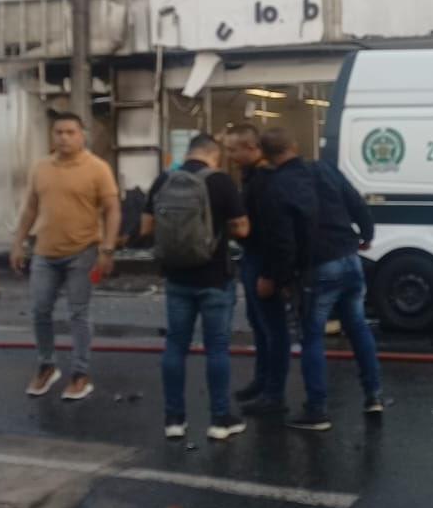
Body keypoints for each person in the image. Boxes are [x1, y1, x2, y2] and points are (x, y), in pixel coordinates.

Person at [258, 128, 383, 431]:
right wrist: (366, 236)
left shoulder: (278, 186)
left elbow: (283, 241)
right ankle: (373, 395)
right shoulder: (325, 169)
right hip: (349, 257)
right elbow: (357, 204)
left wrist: (280, 278)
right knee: (357, 326)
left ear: (266, 156)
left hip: (319, 266)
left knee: (312, 335)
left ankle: (317, 410)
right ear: (295, 145)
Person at [142, 134, 249, 441]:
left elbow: (146, 227)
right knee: (216, 348)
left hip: (177, 278)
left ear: (189, 153)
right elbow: (242, 227)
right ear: (213, 155)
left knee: (175, 346)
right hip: (214, 278)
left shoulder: (164, 180)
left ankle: (174, 420)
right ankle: (219, 420)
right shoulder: (221, 181)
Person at [11, 112, 120, 402]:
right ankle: (47, 365)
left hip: (82, 252)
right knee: (40, 310)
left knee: (78, 313)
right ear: (52, 135)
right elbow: (30, 209)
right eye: (59, 132)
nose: (64, 137)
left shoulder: (98, 169)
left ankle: (80, 374)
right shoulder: (40, 168)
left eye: (71, 132)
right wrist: (18, 243)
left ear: (82, 135)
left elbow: (112, 210)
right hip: (44, 253)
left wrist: (107, 249)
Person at [223, 124, 288, 413]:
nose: (229, 155)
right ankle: (261, 382)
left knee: (273, 328)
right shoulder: (251, 178)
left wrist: (271, 274)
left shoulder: (265, 182)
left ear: (252, 149)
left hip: (262, 261)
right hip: (252, 259)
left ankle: (274, 393)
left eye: (233, 149)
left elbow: (276, 232)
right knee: (259, 326)